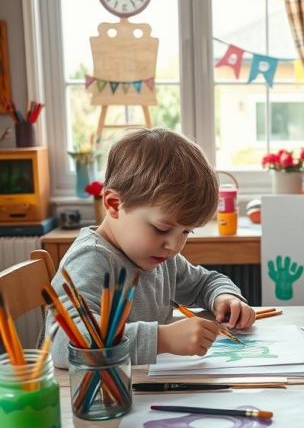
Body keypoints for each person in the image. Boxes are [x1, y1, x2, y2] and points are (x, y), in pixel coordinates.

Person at [49, 128, 255, 367]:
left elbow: (204, 283)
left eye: (186, 232)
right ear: (114, 204)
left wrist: (225, 297)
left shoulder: (159, 256)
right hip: (92, 398)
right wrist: (161, 339)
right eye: (161, 228)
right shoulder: (91, 260)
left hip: (141, 387)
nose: (175, 245)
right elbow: (64, 342)